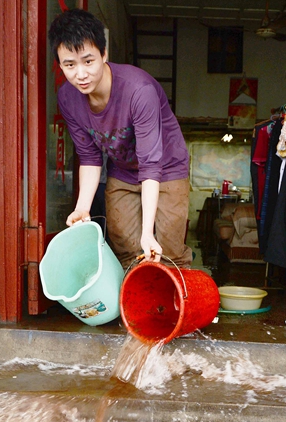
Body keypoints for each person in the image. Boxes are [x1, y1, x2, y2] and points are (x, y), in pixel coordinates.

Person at [49, 9, 193, 268]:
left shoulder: (139, 91)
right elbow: (91, 157)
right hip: (123, 171)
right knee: (125, 248)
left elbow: (151, 164)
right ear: (59, 65)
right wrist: (83, 208)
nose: (80, 74)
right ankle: (134, 306)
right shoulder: (68, 98)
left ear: (104, 55)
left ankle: (176, 305)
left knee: (168, 251)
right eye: (70, 65)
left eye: (88, 61)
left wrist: (147, 233)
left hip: (167, 168)